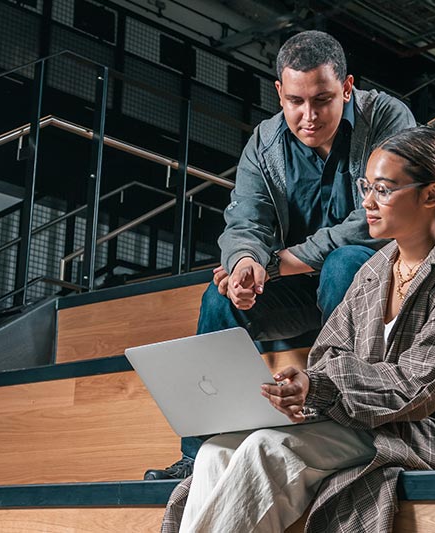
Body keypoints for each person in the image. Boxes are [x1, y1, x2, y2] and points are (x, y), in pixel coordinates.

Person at [160, 126, 435, 532]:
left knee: (266, 449)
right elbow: (328, 355)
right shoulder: (375, 271)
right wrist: (304, 388)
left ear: (430, 195)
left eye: (383, 189)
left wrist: (320, 387)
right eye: (367, 186)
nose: (366, 202)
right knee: (216, 451)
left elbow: (418, 386)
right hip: (363, 417)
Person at [144, 29, 416, 481]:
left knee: (344, 263)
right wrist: (246, 263)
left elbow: (376, 219)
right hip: (300, 288)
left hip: (376, 282)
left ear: (347, 87)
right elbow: (244, 220)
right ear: (279, 93)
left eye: (323, 99)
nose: (308, 115)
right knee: (219, 299)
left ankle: (347, 427)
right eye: (295, 101)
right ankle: (202, 454)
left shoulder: (387, 118)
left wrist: (280, 262)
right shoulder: (265, 142)